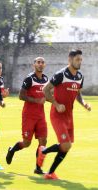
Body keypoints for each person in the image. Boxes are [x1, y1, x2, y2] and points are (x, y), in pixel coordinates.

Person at [41, 49, 91, 180]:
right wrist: (56, 104)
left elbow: (78, 94)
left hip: (69, 116)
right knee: (66, 144)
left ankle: (49, 171)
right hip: (57, 115)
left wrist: (84, 103)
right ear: (70, 59)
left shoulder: (80, 77)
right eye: (77, 59)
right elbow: (45, 89)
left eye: (81, 59)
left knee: (66, 147)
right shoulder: (61, 74)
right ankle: (44, 153)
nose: (80, 62)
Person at [6, 57, 48, 174]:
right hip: (29, 115)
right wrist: (36, 100)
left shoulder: (46, 79)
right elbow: (21, 96)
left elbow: (47, 96)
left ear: (45, 65)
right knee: (26, 143)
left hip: (41, 116)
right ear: (34, 65)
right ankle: (12, 150)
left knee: (43, 141)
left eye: (42, 62)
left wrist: (57, 102)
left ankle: (38, 168)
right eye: (38, 62)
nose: (40, 64)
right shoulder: (29, 79)